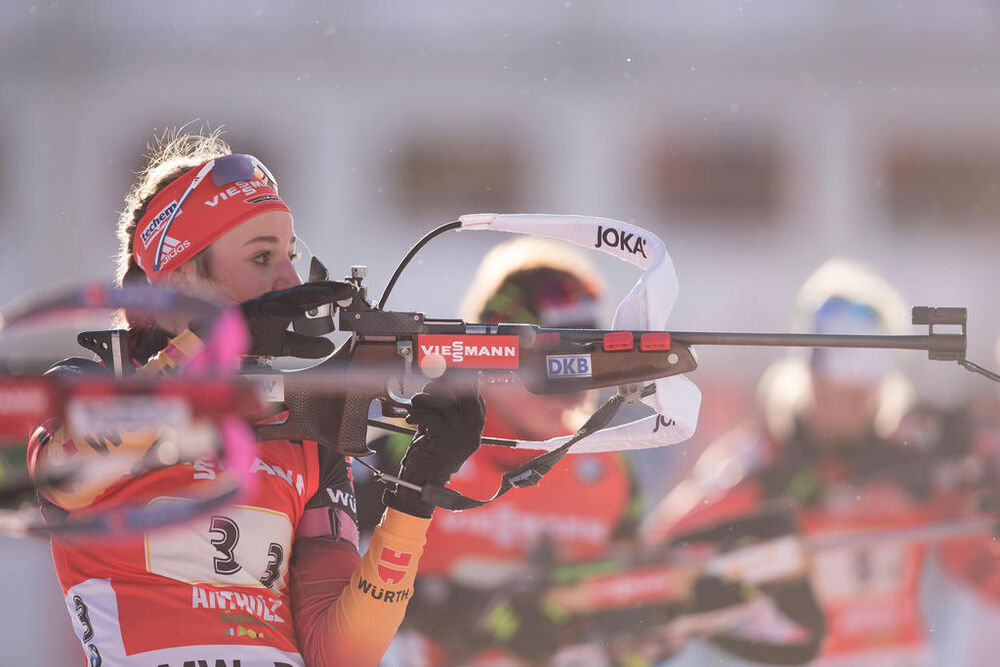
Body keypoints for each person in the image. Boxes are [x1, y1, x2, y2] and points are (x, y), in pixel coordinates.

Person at [26, 129, 485, 666]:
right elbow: (68, 475)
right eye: (261, 258)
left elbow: (339, 654)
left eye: (289, 256)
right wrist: (213, 343)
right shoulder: (93, 384)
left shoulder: (304, 432)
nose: (289, 280)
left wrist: (413, 498)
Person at [643, 258, 946, 666]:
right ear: (806, 372)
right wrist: (759, 509)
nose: (848, 395)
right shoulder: (763, 461)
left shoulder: (913, 468)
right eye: (833, 378)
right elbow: (665, 545)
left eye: (863, 383)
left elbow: (984, 567)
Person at [362, 237, 643, 665]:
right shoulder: (407, 446)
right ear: (490, 360)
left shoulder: (610, 466)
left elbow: (628, 614)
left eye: (586, 368)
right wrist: (473, 614)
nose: (572, 393)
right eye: (549, 370)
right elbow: (331, 589)